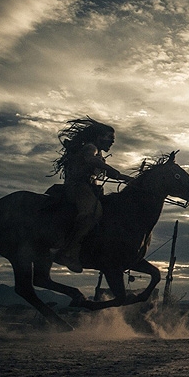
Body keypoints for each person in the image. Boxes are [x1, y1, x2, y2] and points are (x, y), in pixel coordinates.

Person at [51, 116, 132, 272]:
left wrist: (125, 178)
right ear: (99, 137)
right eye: (110, 138)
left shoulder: (98, 153)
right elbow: (91, 160)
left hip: (90, 188)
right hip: (79, 187)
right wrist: (116, 172)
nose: (112, 142)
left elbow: (106, 171)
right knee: (92, 213)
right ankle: (66, 251)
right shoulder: (91, 148)